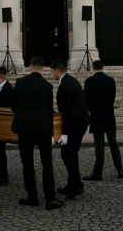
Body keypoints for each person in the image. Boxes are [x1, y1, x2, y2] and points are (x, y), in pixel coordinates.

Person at [10, 57, 63, 210]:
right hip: (43, 127)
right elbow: (49, 109)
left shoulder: (20, 82)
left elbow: (13, 105)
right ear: (43, 68)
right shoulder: (47, 86)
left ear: (30, 67)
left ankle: (32, 196)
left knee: (27, 162)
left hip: (24, 127)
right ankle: (50, 199)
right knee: (47, 163)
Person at [51, 59, 90, 199]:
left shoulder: (64, 86)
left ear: (57, 71)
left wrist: (65, 133)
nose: (52, 74)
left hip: (75, 124)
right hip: (80, 121)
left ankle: (77, 185)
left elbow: (66, 112)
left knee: (67, 154)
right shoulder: (71, 81)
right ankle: (72, 184)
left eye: (52, 72)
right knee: (71, 153)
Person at [83, 60, 123, 181]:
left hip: (96, 116)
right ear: (103, 68)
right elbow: (112, 97)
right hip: (109, 115)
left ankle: (98, 172)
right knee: (113, 143)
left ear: (93, 69)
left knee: (99, 145)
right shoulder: (110, 80)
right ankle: (120, 170)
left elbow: (86, 100)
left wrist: (92, 109)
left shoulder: (89, 81)